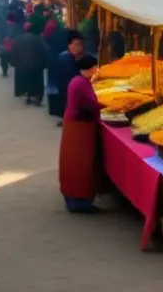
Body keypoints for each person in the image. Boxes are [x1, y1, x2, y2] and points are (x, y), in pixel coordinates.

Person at [59, 54, 103, 214]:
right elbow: (89, 104)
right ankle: (79, 201)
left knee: (72, 163)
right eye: (95, 67)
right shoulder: (82, 85)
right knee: (81, 165)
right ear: (91, 68)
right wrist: (105, 107)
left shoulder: (77, 80)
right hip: (80, 128)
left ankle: (72, 197)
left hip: (73, 125)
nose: (97, 70)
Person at [51, 31, 84, 125]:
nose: (79, 48)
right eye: (76, 45)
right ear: (69, 46)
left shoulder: (78, 57)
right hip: (67, 89)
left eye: (81, 45)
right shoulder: (65, 58)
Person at [12, 24, 48, 105]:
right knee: (37, 81)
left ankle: (27, 94)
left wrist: (14, 62)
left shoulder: (18, 39)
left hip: (22, 64)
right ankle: (37, 96)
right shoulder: (39, 39)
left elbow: (14, 52)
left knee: (26, 81)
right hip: (37, 64)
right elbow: (45, 51)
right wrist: (45, 63)